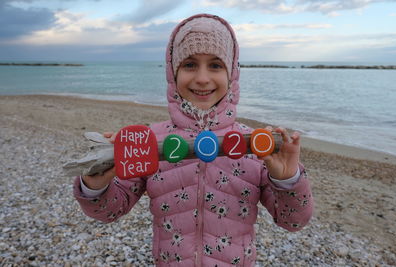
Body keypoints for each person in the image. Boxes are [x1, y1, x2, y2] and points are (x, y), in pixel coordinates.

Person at [73, 13, 313, 266]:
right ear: (172, 72)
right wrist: (95, 185)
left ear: (232, 73)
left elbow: (293, 221)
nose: (202, 78)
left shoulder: (253, 146)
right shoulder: (151, 141)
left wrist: (288, 179)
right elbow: (110, 211)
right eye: (189, 64)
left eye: (215, 65)